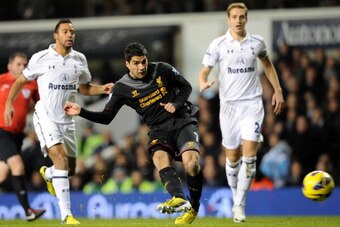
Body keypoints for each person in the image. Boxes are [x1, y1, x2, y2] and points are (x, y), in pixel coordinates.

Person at [64, 42, 203, 224]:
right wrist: (81, 111)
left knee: (191, 164)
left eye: (143, 61)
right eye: (136, 63)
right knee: (160, 158)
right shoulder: (122, 88)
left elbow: (186, 87)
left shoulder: (162, 69)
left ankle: (194, 206)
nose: (141, 67)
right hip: (158, 128)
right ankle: (179, 199)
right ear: (127, 64)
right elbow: (107, 117)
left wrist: (176, 104)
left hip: (182, 120)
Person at [4, 19, 113, 224]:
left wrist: (102, 89)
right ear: (56, 35)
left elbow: (83, 87)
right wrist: (9, 103)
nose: (70, 35)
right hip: (46, 115)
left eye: (72, 32)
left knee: (70, 169)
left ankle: (49, 174)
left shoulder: (79, 59)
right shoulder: (41, 58)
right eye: (65, 31)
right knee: (61, 159)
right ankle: (66, 216)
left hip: (68, 119)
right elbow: (21, 80)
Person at [198, 2, 284, 223]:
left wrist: (278, 90)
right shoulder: (218, 44)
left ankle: (239, 204)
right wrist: (202, 82)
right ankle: (236, 198)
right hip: (228, 107)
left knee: (250, 155)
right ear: (228, 19)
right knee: (233, 157)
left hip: (252, 105)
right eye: (234, 16)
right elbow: (204, 70)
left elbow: (267, 64)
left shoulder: (257, 43)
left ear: (246, 19)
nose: (238, 20)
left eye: (242, 16)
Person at [0, 52, 46, 221]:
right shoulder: (1, 80)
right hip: (1, 132)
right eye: (18, 64)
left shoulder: (31, 84)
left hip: (17, 135)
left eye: (25, 65)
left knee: (2, 175)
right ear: (9, 66)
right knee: (18, 167)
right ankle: (28, 211)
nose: (22, 68)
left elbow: (41, 103)